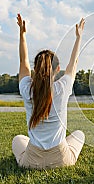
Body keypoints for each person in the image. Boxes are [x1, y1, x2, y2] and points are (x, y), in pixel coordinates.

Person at [12, 14, 86, 169]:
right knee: (79, 134)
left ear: (35, 69)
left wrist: (22, 35)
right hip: (60, 159)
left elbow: (23, 62)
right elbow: (74, 63)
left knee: (18, 139)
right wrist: (78, 38)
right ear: (58, 69)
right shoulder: (62, 87)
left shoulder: (27, 89)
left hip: (32, 160)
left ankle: (24, 160)